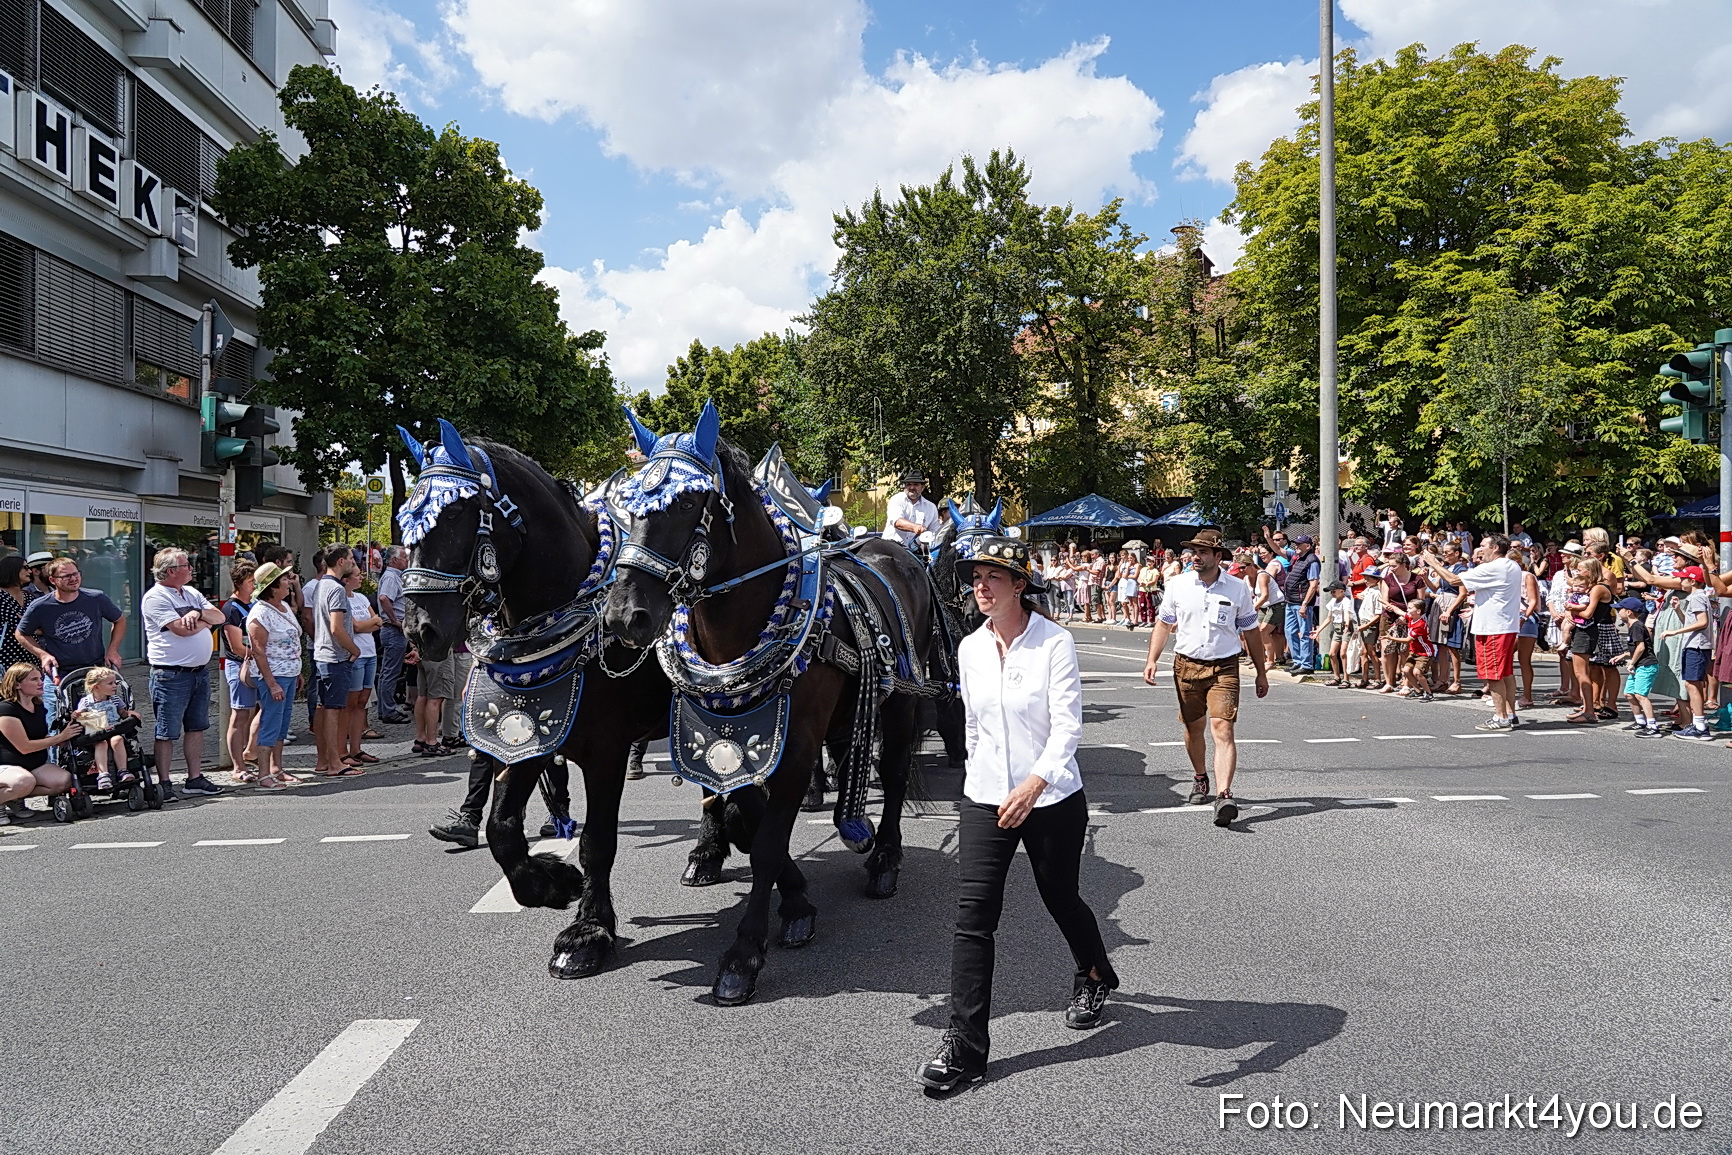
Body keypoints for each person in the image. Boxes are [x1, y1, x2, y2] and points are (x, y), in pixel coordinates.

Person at [915, 536, 1118, 1094]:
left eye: (993, 578)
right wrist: (980, 781)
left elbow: (1068, 728)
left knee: (1061, 898)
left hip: (1050, 798)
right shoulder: (970, 648)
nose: (979, 587)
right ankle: (965, 1047)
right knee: (973, 918)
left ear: (1020, 585)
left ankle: (1095, 971)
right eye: (975, 577)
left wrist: (1032, 784)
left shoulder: (1054, 643)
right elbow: (976, 726)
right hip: (985, 799)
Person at [1141, 529, 1270, 827]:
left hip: (1224, 667)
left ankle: (1224, 795)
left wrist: (1261, 672)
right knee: (1193, 728)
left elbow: (1250, 631)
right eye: (1192, 552)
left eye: (1202, 552)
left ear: (1217, 556)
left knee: (1223, 730)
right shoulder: (1177, 585)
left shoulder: (1237, 589)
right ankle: (1201, 777)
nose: (1195, 557)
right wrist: (1152, 660)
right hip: (1186, 666)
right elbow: (1164, 625)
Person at [139, 548, 226, 799]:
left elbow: (219, 615)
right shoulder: (156, 598)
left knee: (196, 727)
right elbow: (181, 630)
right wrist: (205, 621)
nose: (191, 568)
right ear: (170, 571)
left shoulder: (191, 593)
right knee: (166, 730)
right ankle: (164, 782)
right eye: (186, 565)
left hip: (198, 671)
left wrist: (198, 613)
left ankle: (194, 777)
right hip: (171, 673)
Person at [1422, 534, 1524, 731]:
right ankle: (1510, 714)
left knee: (1493, 674)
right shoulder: (1512, 565)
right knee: (1506, 672)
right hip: (1505, 625)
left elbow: (1453, 580)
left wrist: (1433, 562)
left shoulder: (1494, 567)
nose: (1479, 549)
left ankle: (1500, 717)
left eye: (1483, 545)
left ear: (1495, 548)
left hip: (1493, 627)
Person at [15, 556, 127, 727]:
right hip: (59, 674)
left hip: (92, 672)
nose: (73, 579)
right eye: (66, 576)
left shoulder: (95, 598)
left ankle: (93, 754)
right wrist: (43, 655)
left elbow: (119, 620)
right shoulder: (41, 606)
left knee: (97, 727)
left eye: (76, 574)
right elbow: (21, 634)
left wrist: (113, 650)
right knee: (58, 727)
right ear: (53, 580)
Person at [245, 562, 305, 788]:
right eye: (284, 579)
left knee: (282, 723)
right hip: (274, 676)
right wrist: (271, 684)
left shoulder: (283, 607)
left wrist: (297, 671)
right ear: (272, 586)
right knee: (270, 722)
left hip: (289, 673)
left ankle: (277, 768)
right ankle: (263, 774)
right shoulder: (260, 613)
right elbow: (258, 651)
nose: (288, 582)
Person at [0, 661, 81, 825]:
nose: (41, 683)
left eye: (41, 678)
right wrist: (58, 738)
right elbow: (24, 747)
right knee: (24, 781)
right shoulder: (6, 709)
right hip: (7, 765)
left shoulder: (38, 706)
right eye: (34, 679)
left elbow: (41, 736)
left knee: (64, 780)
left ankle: (14, 798)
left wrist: (64, 739)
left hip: (34, 764)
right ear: (17, 685)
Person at [311, 551, 362, 776]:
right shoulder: (337, 589)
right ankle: (334, 763)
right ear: (341, 561)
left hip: (322, 654)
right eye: (351, 558)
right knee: (333, 710)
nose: (353, 561)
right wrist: (354, 649)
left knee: (323, 708)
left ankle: (323, 760)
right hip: (336, 656)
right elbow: (336, 627)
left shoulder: (321, 584)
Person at [1661, 566, 1714, 741]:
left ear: (1692, 581)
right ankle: (1698, 724)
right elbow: (1692, 622)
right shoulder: (1696, 598)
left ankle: (1700, 726)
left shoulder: (1698, 598)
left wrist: (1674, 632)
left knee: (1692, 685)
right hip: (1694, 645)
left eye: (1683, 578)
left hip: (1697, 647)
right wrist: (1678, 610)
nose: (1680, 581)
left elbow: (1702, 622)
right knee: (1692, 685)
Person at [220, 559, 261, 781]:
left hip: (257, 664)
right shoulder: (231, 608)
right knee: (240, 714)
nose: (254, 585)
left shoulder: (254, 603)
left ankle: (251, 751)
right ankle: (238, 766)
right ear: (239, 583)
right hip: (239, 665)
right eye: (251, 581)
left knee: (261, 709)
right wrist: (261, 655)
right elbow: (236, 646)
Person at [72, 666, 139, 791]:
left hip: (114, 730)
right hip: (96, 733)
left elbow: (122, 712)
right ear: (96, 687)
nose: (115, 686)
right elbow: (79, 716)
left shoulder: (115, 699)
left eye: (115, 682)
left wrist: (129, 714)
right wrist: (76, 714)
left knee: (118, 739)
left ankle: (123, 771)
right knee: (101, 744)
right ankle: (103, 774)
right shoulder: (86, 702)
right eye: (110, 683)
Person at [342, 565, 383, 769]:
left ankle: (356, 748)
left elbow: (378, 621)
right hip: (355, 654)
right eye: (357, 575)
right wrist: (370, 623)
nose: (361, 578)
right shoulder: (343, 599)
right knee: (351, 702)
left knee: (363, 702)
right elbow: (355, 626)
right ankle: (343, 749)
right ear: (346, 580)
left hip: (370, 652)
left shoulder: (362, 598)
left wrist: (370, 623)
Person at [1613, 597, 1660, 737]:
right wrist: (1623, 655)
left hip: (1646, 665)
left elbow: (1641, 647)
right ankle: (1640, 721)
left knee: (1640, 695)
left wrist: (1631, 662)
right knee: (1629, 693)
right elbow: (1636, 648)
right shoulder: (1633, 626)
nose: (1617, 612)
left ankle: (1652, 726)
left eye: (1619, 609)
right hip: (1639, 665)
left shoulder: (1637, 626)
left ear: (1628, 612)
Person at [374, 546, 411, 723]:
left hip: (393, 629)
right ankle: (387, 710)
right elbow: (383, 598)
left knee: (389, 671)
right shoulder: (391, 577)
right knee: (390, 672)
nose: (406, 560)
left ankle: (385, 708)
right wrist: (395, 620)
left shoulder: (394, 576)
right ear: (394, 560)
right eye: (403, 557)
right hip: (393, 630)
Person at [1282, 534, 1322, 674]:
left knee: (1305, 633)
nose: (1296, 546)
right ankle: (1297, 660)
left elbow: (1313, 584)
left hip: (1302, 603)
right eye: (1296, 544)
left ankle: (1306, 664)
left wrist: (1305, 603)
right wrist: (1268, 538)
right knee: (1290, 631)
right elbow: (1278, 550)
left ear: (1308, 546)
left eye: (1299, 544)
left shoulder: (1312, 561)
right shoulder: (1298, 558)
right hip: (1291, 601)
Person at [881, 470, 940, 549]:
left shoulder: (931, 507)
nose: (912, 487)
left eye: (916, 484)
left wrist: (926, 542)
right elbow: (897, 521)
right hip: (890, 549)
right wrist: (915, 527)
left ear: (922, 488)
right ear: (905, 486)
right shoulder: (896, 499)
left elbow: (935, 533)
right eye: (908, 484)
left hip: (915, 553)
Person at [0, 556, 38, 670]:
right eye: (25, 568)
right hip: (6, 654)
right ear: (12, 569)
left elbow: (40, 624)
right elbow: (19, 624)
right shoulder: (1, 596)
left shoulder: (29, 596)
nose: (30, 571)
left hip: (30, 652)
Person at [1315, 581, 1353, 687]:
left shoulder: (1346, 601)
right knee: (1332, 653)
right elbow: (1328, 618)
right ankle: (1337, 677)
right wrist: (1318, 630)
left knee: (1343, 653)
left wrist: (1346, 624)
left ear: (1342, 591)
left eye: (1334, 591)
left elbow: (1346, 613)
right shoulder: (1332, 601)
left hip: (1346, 628)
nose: (1332, 593)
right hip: (1336, 628)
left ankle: (1346, 678)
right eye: (1331, 592)